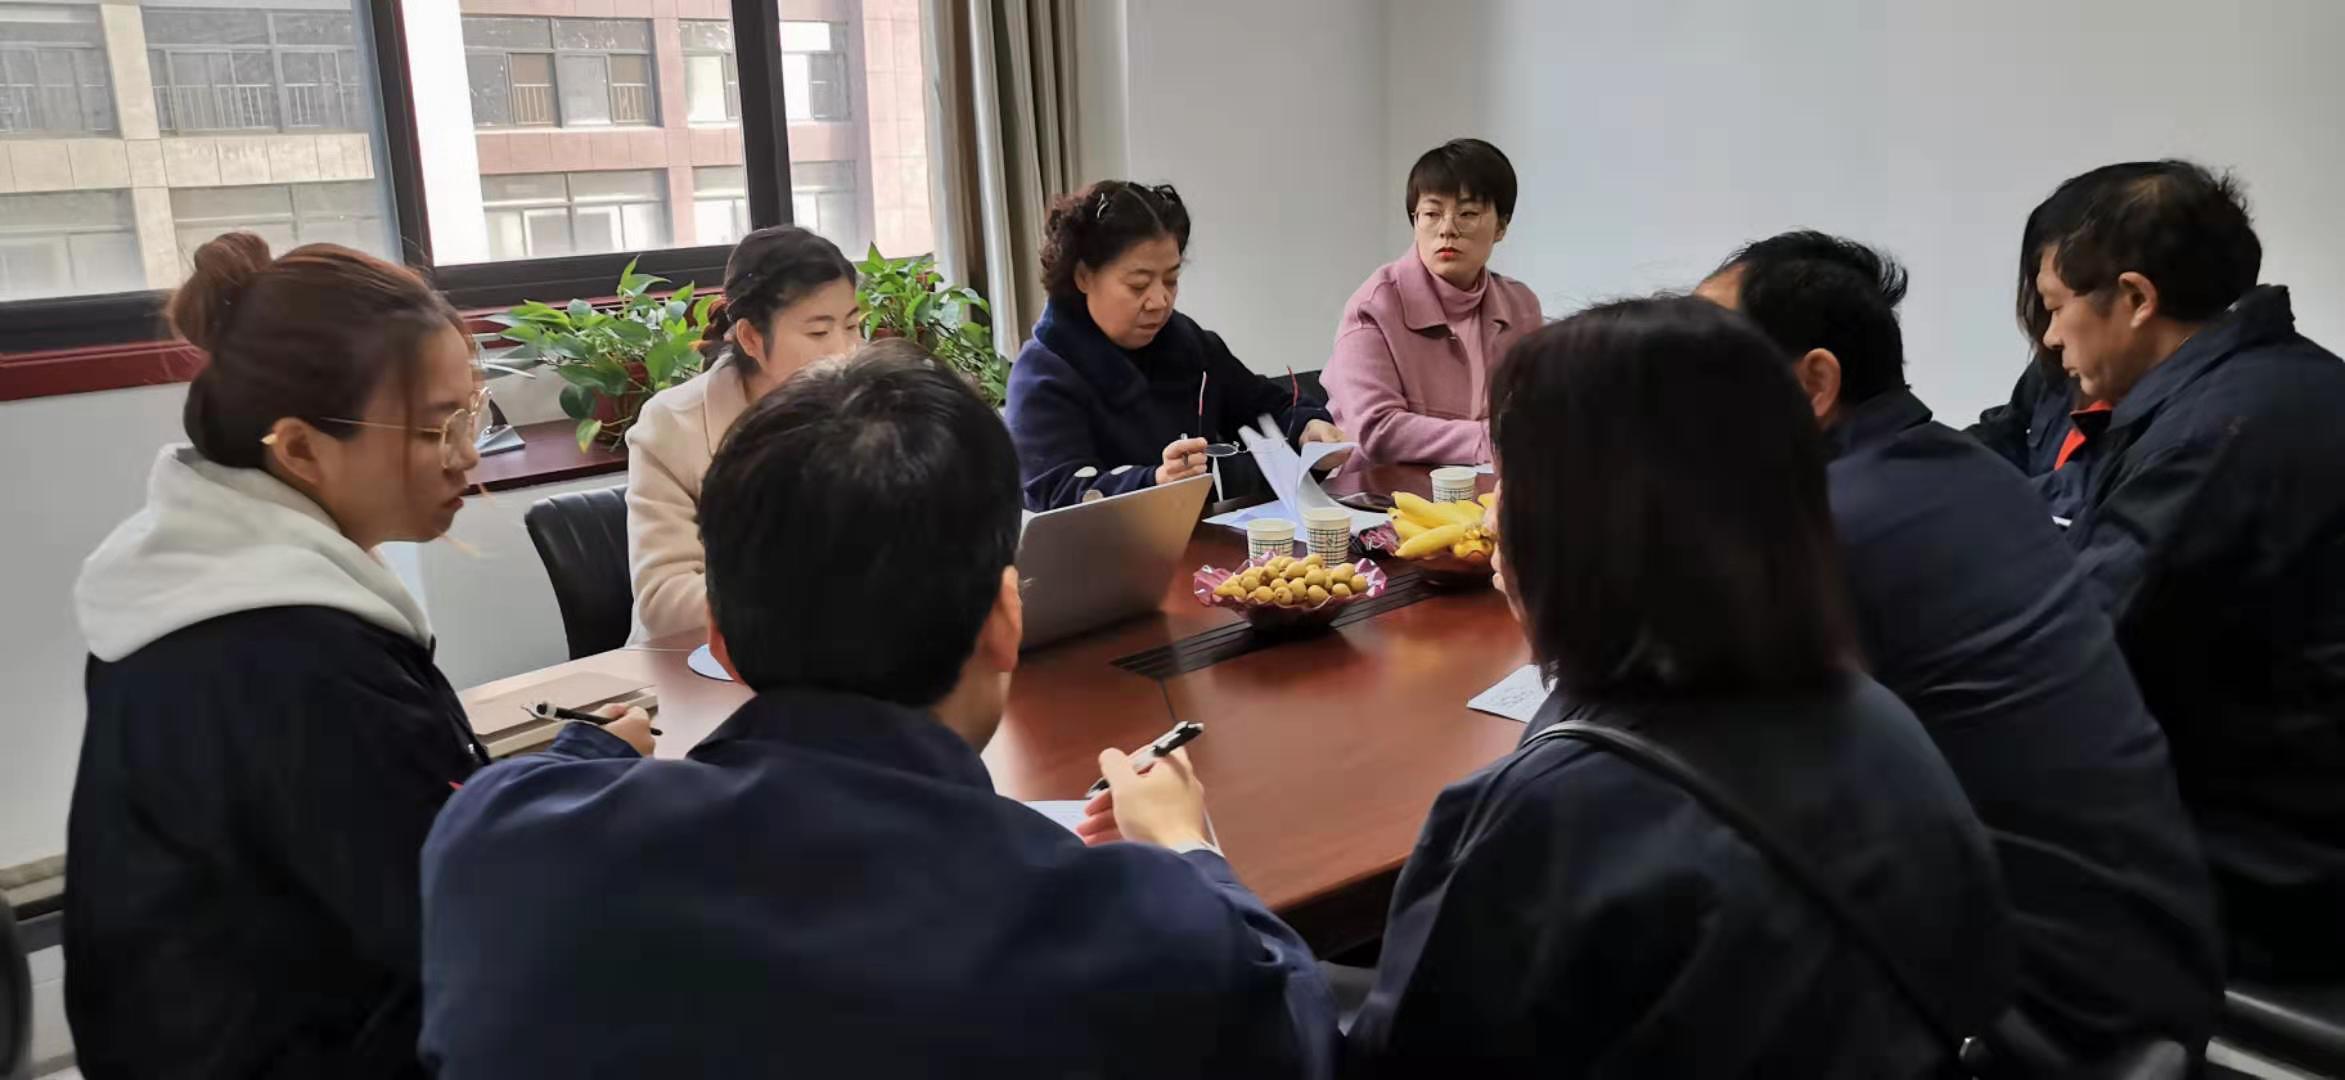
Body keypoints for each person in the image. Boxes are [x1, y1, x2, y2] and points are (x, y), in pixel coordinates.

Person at [421, 341, 1336, 1077]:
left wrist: (592, 751)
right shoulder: (1129, 935)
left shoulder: (496, 845)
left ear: (722, 642)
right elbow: (1294, 1032)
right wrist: (1185, 849)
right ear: (1005, 619)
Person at [1347, 297, 2014, 1077]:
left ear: (1573, 530)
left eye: (1512, 484)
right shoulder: (1877, 717)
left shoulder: (1546, 812)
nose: (1494, 519)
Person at [65, 234, 631, 1078]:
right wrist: (591, 772)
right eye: (435, 428)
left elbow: (410, 826)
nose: (467, 455)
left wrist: (572, 766)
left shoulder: (195, 586)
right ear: (298, 449)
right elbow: (464, 913)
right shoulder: (288, 657)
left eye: (471, 412)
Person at [1698, 232, 2221, 1066]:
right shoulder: (1963, 473)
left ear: (1814, 383)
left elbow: (1663, 759)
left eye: (1699, 366)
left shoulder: (1824, 530)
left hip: (2033, 1015)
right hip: (2146, 956)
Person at [2019, 160, 2345, 979]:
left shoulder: (2214, 434)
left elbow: (2075, 657)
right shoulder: (2279, 382)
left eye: (2055, 307)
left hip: (2264, 858)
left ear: (2134, 297)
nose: (2049, 339)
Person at [1004, 180, 1345, 510]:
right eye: (1138, 285)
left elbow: (1266, 405)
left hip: (1207, 540)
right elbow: (1058, 494)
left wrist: (1308, 430)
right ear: (1083, 276)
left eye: (1171, 279)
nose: (1160, 301)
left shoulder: (1187, 343)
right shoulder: (1043, 374)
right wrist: (1154, 483)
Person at [626, 224, 858, 641]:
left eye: (853, 326)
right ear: (751, 337)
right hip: (695, 660)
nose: (843, 350)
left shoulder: (867, 404)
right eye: (819, 332)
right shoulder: (672, 426)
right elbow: (663, 601)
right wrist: (813, 594)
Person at [1322, 138, 1543, 466]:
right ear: (1415, 222)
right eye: (1431, 214)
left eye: (1467, 214)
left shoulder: (1520, 305)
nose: (1447, 230)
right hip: (1379, 489)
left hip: (1484, 485)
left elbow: (1535, 413)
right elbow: (1377, 429)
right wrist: (1493, 439)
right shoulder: (1374, 307)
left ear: (1501, 226)